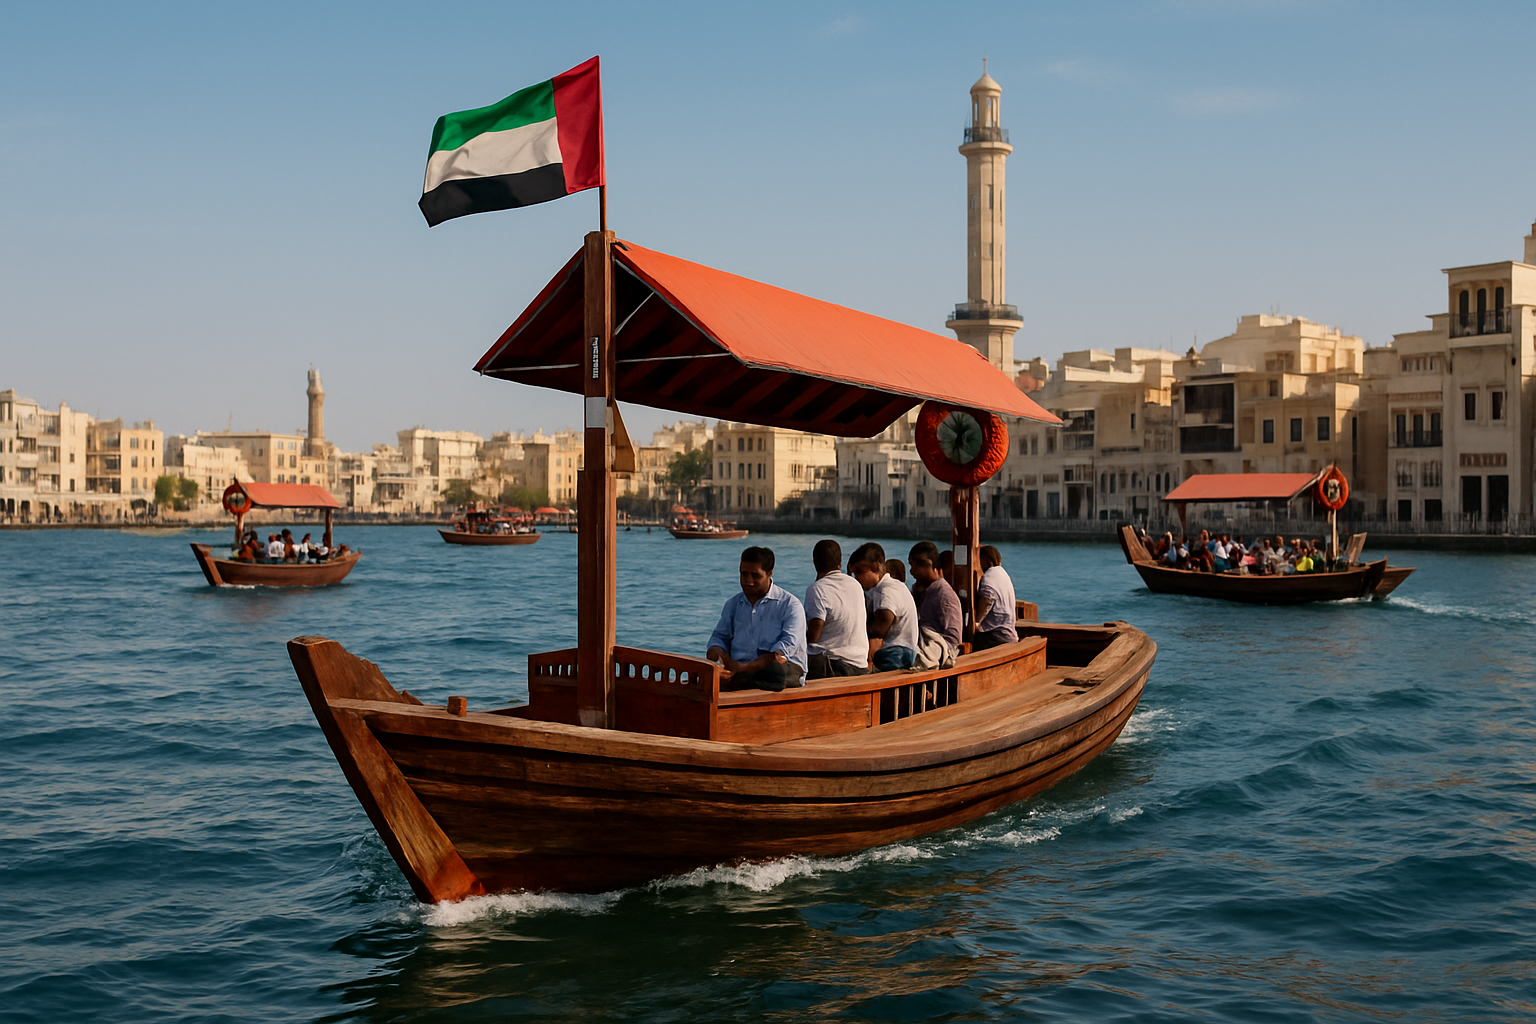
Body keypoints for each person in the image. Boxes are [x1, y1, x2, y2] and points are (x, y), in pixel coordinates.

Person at [706, 545, 808, 692]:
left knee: (774, 671)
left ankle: (740, 680)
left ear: (769, 573)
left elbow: (783, 651)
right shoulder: (733, 604)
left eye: (755, 575)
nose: (748, 580)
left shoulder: (790, 605)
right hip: (738, 668)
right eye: (743, 574)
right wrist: (718, 653)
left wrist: (744, 668)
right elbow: (719, 637)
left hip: (779, 670)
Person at [803, 539, 869, 679]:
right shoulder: (855, 585)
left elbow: (813, 637)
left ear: (815, 563)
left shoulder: (817, 589)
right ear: (840, 562)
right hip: (860, 664)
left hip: (832, 666)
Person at [849, 542, 919, 672]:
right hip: (899, 651)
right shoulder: (881, 589)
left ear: (875, 567)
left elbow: (878, 631)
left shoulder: (888, 591)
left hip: (897, 654)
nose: (856, 578)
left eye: (859, 572)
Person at [909, 550, 962, 669]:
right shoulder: (926, 592)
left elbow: (953, 638)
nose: (911, 572)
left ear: (928, 565)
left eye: (914, 567)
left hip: (936, 653)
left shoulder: (944, 595)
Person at [972, 545, 1019, 651]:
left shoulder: (989, 576)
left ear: (986, 560)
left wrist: (977, 621)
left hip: (995, 635)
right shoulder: (1003, 574)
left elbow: (987, 598)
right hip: (1009, 633)